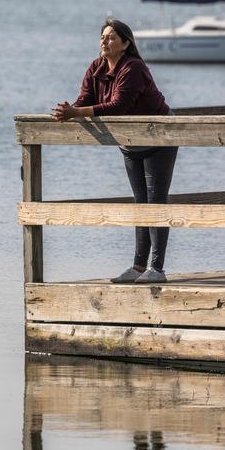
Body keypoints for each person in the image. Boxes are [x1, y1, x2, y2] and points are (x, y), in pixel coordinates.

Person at [52, 18, 177, 283]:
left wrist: (77, 112)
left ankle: (158, 269)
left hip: (159, 138)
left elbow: (118, 106)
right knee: (140, 204)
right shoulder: (96, 67)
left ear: (125, 43)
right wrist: (69, 111)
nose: (104, 41)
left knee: (155, 204)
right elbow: (85, 100)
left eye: (110, 37)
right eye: (102, 37)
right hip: (130, 142)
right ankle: (138, 267)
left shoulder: (133, 68)